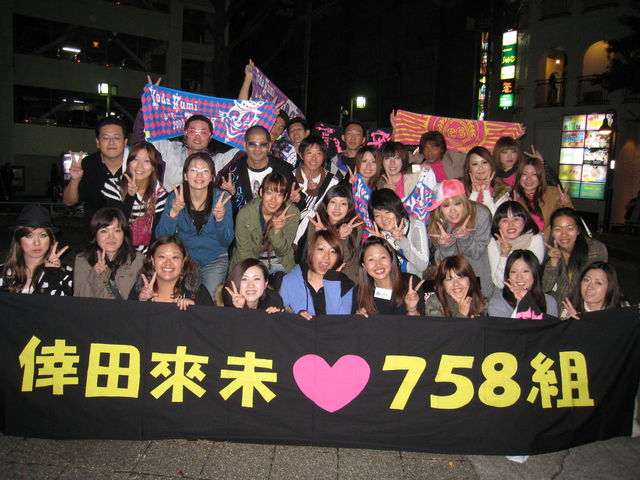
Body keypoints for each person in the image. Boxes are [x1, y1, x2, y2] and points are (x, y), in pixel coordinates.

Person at [156, 152, 233, 298]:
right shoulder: (175, 197)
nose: (199, 175)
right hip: (186, 260)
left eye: (205, 171)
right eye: (194, 170)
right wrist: (173, 212)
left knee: (210, 301)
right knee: (183, 300)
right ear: (185, 175)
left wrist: (220, 219)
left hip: (215, 258)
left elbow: (226, 241)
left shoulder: (222, 199)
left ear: (212, 177)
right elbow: (161, 238)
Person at [427, 179, 494, 297]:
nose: (452, 210)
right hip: (451, 282)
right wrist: (447, 245)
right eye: (446, 205)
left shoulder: (481, 214)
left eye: (457, 203)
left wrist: (466, 238)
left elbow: (477, 252)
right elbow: (442, 263)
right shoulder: (438, 222)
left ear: (464, 201)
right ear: (440, 208)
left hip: (477, 276)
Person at [215, 125, 302, 215]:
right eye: (252, 144)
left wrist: (295, 200)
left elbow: (300, 204)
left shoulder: (283, 169)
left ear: (269, 146)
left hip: (275, 222)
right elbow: (221, 209)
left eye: (263, 144)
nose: (257, 149)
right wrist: (230, 194)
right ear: (245, 145)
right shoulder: (233, 171)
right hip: (243, 222)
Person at [101, 141, 168, 253]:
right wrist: (130, 196)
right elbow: (113, 224)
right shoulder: (114, 186)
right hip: (116, 249)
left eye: (146, 161)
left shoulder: (160, 194)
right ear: (128, 163)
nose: (139, 165)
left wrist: (149, 257)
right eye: (135, 159)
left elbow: (156, 233)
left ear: (153, 167)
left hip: (146, 252)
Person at [63, 117, 128, 230]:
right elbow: (69, 202)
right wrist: (75, 180)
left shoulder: (135, 165)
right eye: (105, 137)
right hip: (94, 234)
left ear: (125, 142)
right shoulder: (88, 164)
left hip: (127, 234)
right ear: (98, 142)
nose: (111, 142)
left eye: (116, 137)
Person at [229, 172, 300, 275]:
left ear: (285, 197)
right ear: (261, 192)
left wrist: (277, 231)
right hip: (251, 260)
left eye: (279, 195)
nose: (273, 200)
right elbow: (244, 252)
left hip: (280, 261)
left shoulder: (292, 213)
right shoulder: (245, 214)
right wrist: (256, 275)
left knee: (283, 281)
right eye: (269, 193)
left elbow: (283, 252)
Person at [280, 230, 354, 319]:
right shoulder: (290, 281)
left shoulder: (346, 285)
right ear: (311, 252)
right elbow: (282, 318)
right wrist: (297, 318)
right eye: (321, 249)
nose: (326, 257)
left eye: (333, 251)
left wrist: (332, 282)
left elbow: (340, 322)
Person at [73, 208, 144, 300]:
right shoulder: (83, 260)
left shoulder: (137, 259)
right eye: (104, 231)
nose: (111, 237)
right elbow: (79, 299)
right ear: (95, 234)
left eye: (117, 230)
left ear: (124, 234)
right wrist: (95, 274)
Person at [0, 205, 72, 295]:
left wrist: (52, 273)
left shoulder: (64, 274)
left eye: (43, 235)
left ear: (51, 239)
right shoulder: (3, 272)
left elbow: (59, 303)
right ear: (19, 240)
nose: (37, 243)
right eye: (29, 236)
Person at [542, 207, 608, 305]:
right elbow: (545, 287)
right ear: (552, 231)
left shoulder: (595, 250)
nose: (564, 235)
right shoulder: (552, 252)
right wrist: (554, 262)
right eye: (558, 229)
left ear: (578, 231)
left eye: (570, 228)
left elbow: (599, 287)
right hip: (560, 306)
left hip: (586, 305)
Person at [129, 235, 213, 308]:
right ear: (152, 260)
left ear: (183, 262)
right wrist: (141, 302)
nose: (168, 263)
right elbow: (126, 318)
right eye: (162, 256)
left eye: (175, 257)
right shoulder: (139, 290)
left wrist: (195, 310)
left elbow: (211, 320)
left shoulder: (198, 293)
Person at [306, 184, 363, 283]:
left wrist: (342, 238)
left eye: (343, 204)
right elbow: (311, 256)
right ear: (326, 204)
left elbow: (345, 259)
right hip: (319, 274)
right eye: (333, 202)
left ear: (349, 207)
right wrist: (318, 237)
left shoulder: (354, 227)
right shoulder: (317, 223)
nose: (337, 208)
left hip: (346, 277)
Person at [354, 236, 425, 316]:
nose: (378, 264)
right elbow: (354, 322)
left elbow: (420, 323)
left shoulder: (411, 283)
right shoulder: (359, 292)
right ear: (364, 266)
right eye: (371, 260)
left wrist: (412, 310)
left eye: (383, 257)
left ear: (391, 259)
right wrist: (358, 319)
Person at [368, 188, 429, 277]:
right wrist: (382, 244)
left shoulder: (416, 226)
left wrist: (402, 240)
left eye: (387, 212)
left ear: (397, 209)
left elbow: (422, 266)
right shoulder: (376, 235)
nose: (384, 219)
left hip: (415, 281)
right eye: (378, 215)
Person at [292, 134, 339, 247]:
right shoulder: (291, 178)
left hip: (317, 239)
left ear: (324, 156)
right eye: (309, 153)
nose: (314, 158)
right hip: (290, 238)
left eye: (318, 153)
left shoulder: (332, 182)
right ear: (301, 155)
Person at [488, 201, 545, 289]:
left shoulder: (534, 238)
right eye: (505, 220)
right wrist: (504, 255)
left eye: (516, 219)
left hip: (531, 290)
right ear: (498, 224)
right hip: (505, 292)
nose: (511, 224)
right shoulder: (494, 242)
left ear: (525, 221)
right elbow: (500, 284)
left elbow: (534, 277)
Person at [488, 250, 558, 318]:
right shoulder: (498, 302)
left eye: (525, 271)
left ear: (535, 273)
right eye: (513, 272)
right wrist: (523, 302)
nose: (519, 277)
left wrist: (526, 300)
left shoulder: (549, 302)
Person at [514, 156, 572, 236]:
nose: (528, 179)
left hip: (551, 241)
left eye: (534, 174)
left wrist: (566, 203)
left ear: (540, 176)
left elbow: (571, 221)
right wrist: (514, 209)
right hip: (526, 242)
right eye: (524, 174)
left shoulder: (553, 193)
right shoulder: (514, 198)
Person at [561, 261, 627, 319]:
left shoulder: (622, 311)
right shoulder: (570, 308)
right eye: (586, 280)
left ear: (610, 287)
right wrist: (567, 323)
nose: (589, 287)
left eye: (598, 283)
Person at [462, 146, 510, 214]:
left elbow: (495, 218)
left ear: (491, 164)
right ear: (469, 168)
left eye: (484, 162)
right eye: (475, 164)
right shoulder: (460, 190)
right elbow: (464, 217)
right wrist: (474, 193)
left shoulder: (502, 190)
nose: (480, 167)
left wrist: (486, 192)